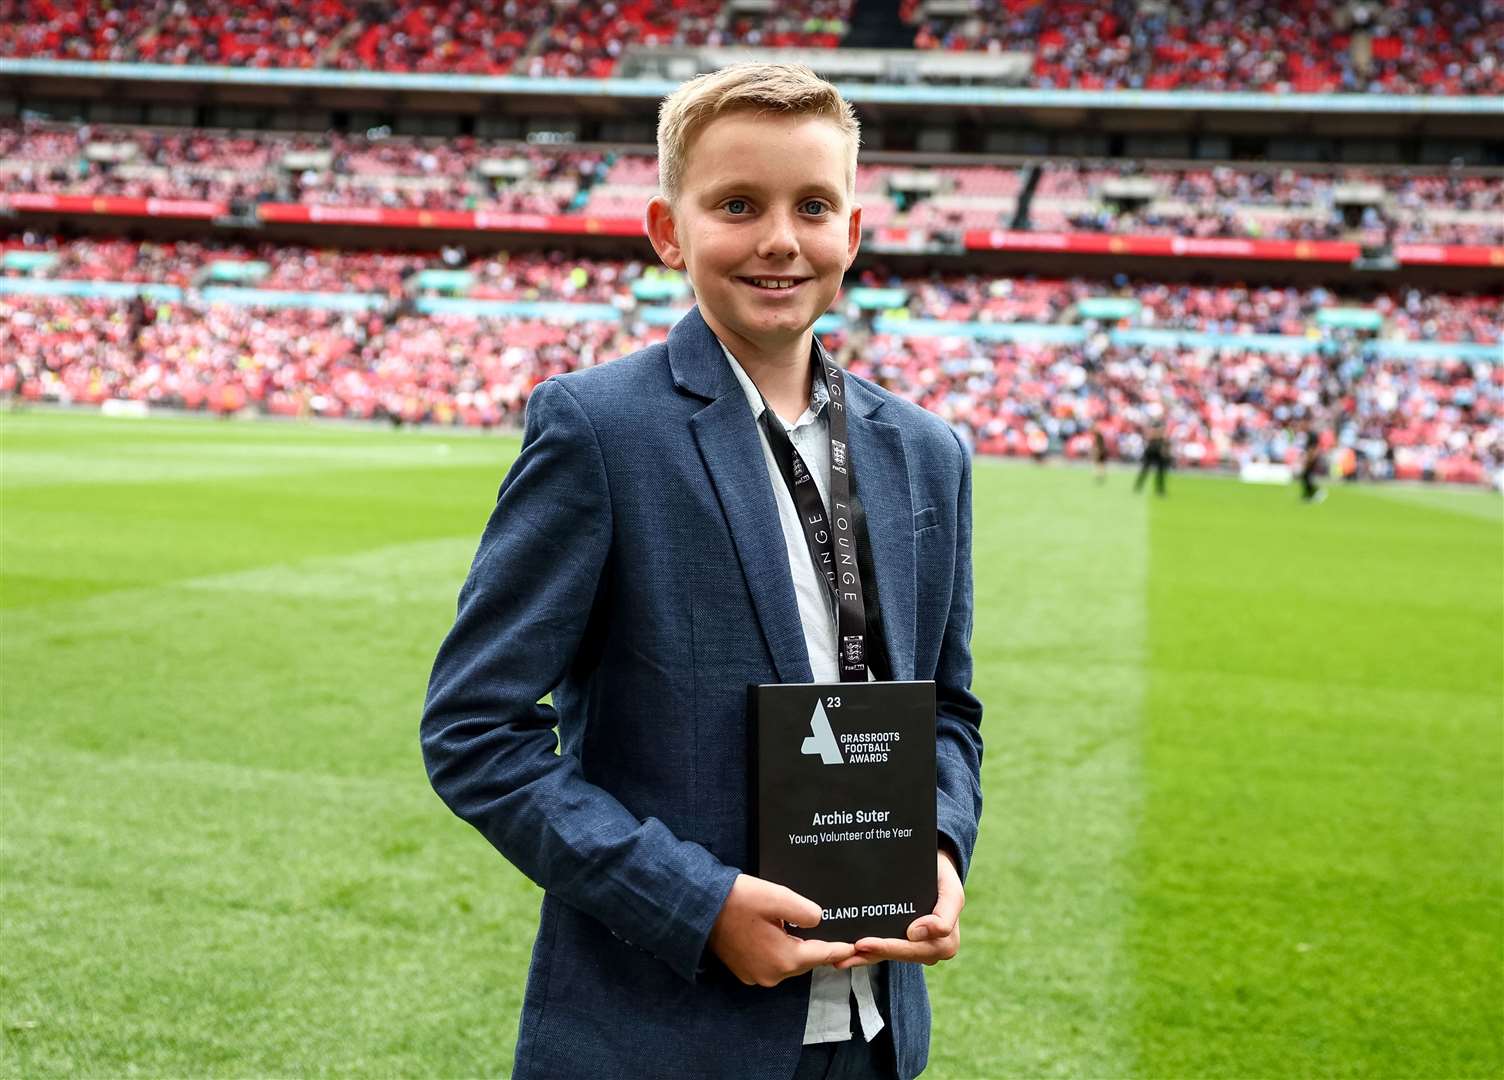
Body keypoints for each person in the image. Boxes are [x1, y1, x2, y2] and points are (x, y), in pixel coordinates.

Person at [420, 63, 983, 1080]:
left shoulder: (926, 454)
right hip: (664, 1032)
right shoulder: (600, 429)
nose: (779, 238)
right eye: (737, 205)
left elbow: (946, 709)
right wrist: (697, 903)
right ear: (668, 230)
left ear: (851, 232)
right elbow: (473, 730)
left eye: (813, 206)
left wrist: (938, 847)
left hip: (873, 1033)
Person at [1133, 417, 1170, 496]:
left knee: (1160, 473)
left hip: (1158, 453)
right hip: (1150, 452)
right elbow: (1150, 438)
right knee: (1145, 470)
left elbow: (1164, 443)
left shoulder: (1161, 436)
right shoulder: (1153, 434)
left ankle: (1160, 489)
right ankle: (1138, 486)